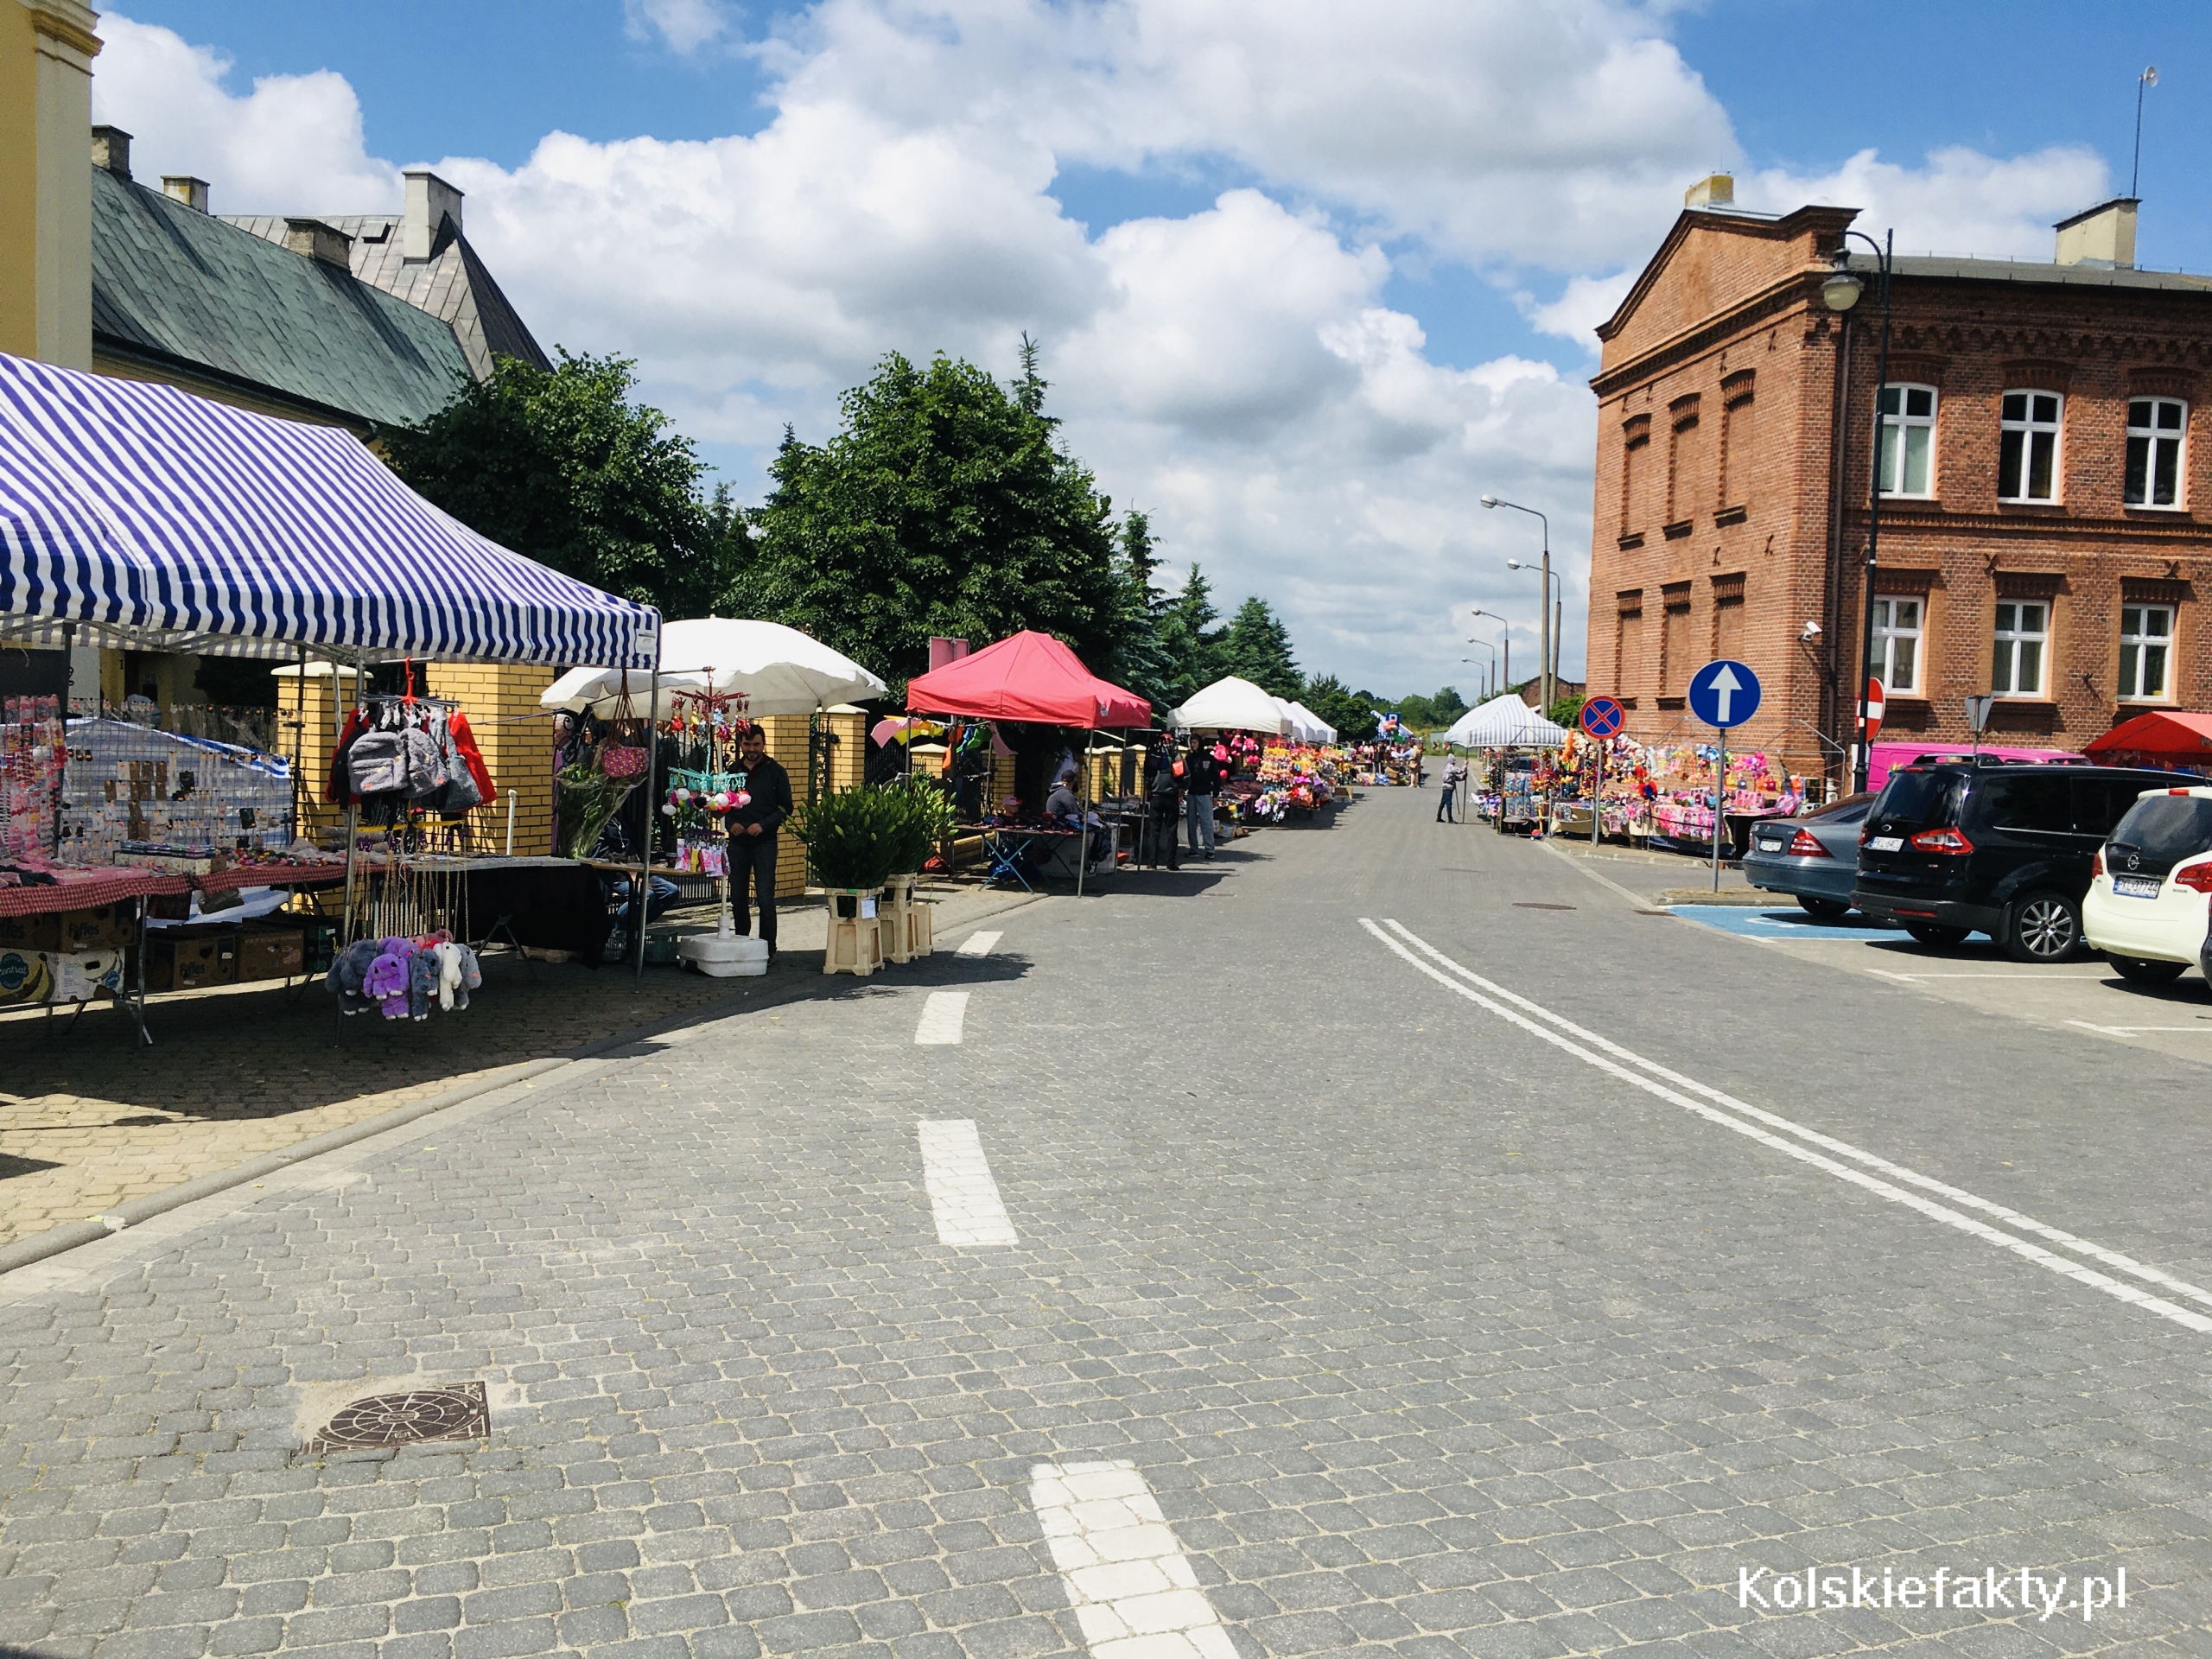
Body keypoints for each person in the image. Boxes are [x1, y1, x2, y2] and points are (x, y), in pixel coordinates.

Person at [727, 723, 792, 953]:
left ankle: (767, 949)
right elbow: (722, 804)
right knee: (738, 898)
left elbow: (786, 808)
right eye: (747, 744)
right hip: (737, 844)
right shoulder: (732, 771)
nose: (752, 749)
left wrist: (763, 826)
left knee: (765, 899)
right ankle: (742, 945)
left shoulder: (776, 772)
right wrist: (730, 824)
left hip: (765, 843)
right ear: (740, 744)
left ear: (764, 744)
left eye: (756, 744)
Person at [1142, 734, 1180, 869]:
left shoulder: (1152, 754)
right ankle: (1171, 863)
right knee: (1171, 830)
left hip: (1156, 796)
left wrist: (1148, 789)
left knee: (1154, 830)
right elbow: (1183, 774)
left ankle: (1152, 863)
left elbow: (1147, 774)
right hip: (1171, 796)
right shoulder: (1175, 755)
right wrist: (1180, 788)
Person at [1183, 735, 1218, 860]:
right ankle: (1193, 849)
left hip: (1205, 793)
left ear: (1200, 743)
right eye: (1191, 742)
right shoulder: (1189, 758)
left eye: (1195, 742)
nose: (1193, 745)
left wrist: (1215, 795)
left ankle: (1210, 849)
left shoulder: (1209, 758)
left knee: (1206, 822)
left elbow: (1216, 777)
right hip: (1192, 793)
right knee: (1191, 823)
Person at [1438, 755, 1465, 823]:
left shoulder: (1447, 767)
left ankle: (1439, 817)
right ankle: (1450, 818)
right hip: (1448, 787)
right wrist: (1465, 765)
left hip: (1447, 786)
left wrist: (1463, 778)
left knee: (1443, 802)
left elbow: (1455, 777)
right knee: (1449, 803)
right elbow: (1460, 771)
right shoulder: (1450, 767)